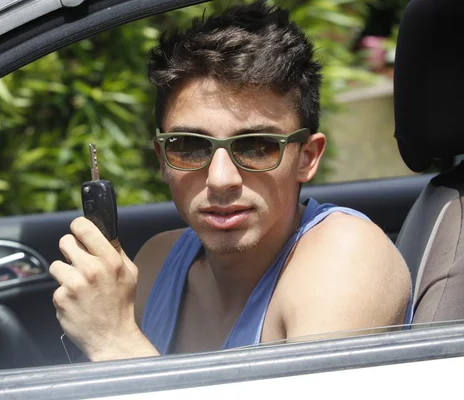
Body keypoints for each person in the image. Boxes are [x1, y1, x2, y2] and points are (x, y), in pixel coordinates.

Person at [49, 1, 413, 362]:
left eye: (257, 146)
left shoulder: (345, 257)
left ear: (307, 158)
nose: (221, 179)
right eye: (189, 146)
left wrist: (115, 342)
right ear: (162, 160)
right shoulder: (158, 260)